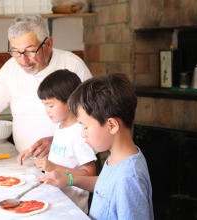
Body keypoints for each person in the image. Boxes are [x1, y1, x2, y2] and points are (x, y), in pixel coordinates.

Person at [0, 14, 92, 160]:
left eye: (30, 50)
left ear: (48, 44)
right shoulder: (9, 69)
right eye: (16, 52)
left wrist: (58, 140)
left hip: (72, 164)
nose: (23, 60)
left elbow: (93, 116)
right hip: (28, 163)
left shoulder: (72, 65)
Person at [37, 73, 154, 220]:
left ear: (112, 125)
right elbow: (105, 186)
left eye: (85, 127)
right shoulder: (118, 157)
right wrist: (70, 179)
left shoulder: (129, 178)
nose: (82, 134)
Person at [34, 69, 97, 213]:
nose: (46, 111)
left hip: (73, 208)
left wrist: (53, 166)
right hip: (57, 201)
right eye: (44, 105)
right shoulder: (60, 127)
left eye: (50, 105)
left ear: (69, 103)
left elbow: (90, 173)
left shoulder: (79, 133)